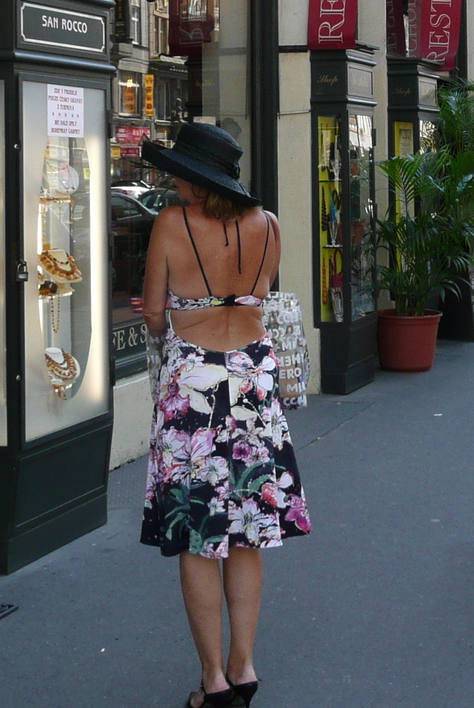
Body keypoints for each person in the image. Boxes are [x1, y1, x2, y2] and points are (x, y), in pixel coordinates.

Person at [139, 123, 308, 708]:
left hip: (196, 383)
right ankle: (245, 664)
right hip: (255, 380)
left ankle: (212, 678)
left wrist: (180, 313)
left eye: (180, 172)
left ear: (198, 178)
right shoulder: (270, 226)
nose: (174, 181)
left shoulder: (171, 224)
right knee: (248, 530)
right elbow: (260, 296)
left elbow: (156, 315)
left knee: (196, 533)